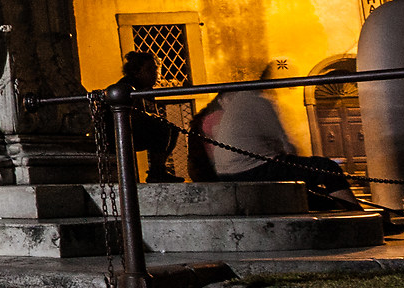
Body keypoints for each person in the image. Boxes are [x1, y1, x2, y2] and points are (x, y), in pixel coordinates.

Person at [195, 88, 360, 209]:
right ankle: (356, 213)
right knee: (328, 168)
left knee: (304, 183)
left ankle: (338, 206)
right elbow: (285, 144)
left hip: (228, 173)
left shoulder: (228, 111)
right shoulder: (256, 102)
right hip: (255, 170)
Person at [120, 51, 180, 183]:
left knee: (171, 130)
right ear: (136, 72)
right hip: (120, 134)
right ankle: (157, 172)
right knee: (162, 129)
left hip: (134, 131)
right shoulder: (127, 86)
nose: (155, 73)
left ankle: (158, 170)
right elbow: (133, 115)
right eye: (149, 69)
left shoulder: (145, 87)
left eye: (155, 69)